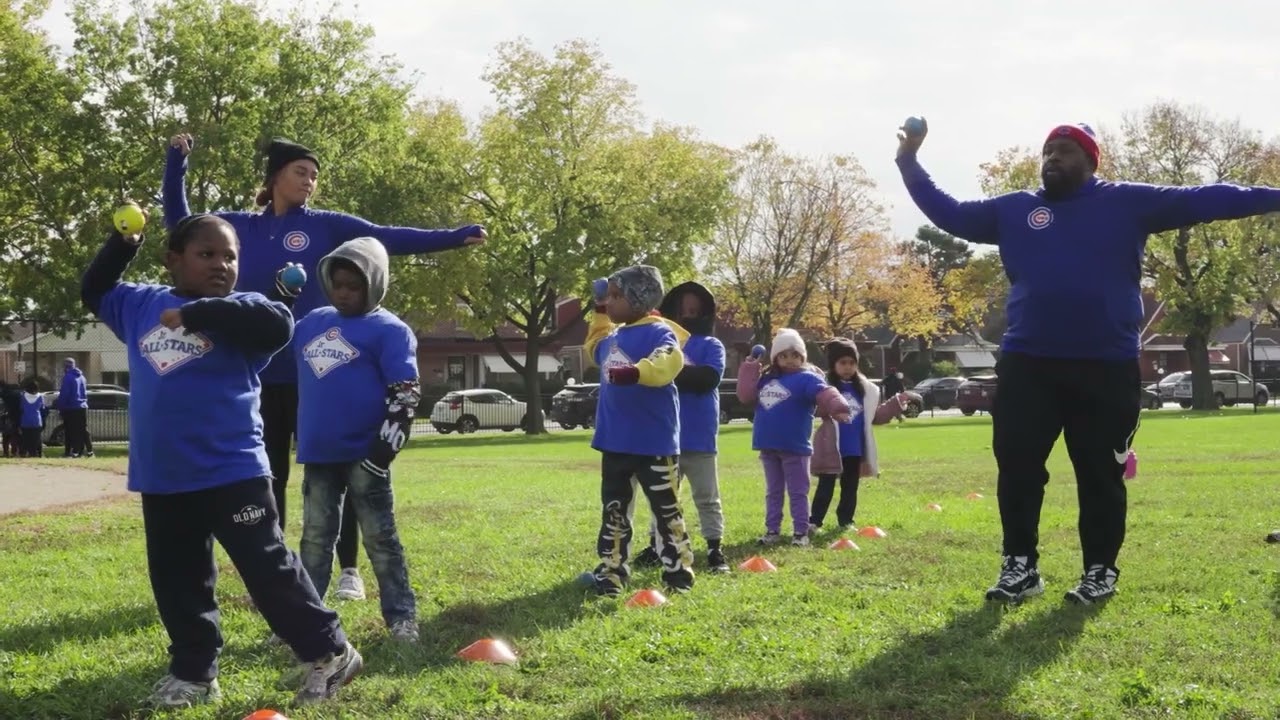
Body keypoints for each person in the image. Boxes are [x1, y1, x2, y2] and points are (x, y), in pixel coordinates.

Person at [896, 118, 1280, 604]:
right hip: (1028, 364)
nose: (1051, 158)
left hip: (1105, 366)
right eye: (1047, 151)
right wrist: (909, 162)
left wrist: (1273, 195)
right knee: (1017, 468)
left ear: (1090, 160)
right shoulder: (1015, 209)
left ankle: (1099, 570)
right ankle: (1020, 567)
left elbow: (1209, 198)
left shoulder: (1127, 202)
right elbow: (949, 214)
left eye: (1063, 150)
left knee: (1099, 473)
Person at [163, 133, 485, 601]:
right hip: (253, 373)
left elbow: (386, 237)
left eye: (314, 175)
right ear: (275, 176)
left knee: (338, 469)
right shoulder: (236, 228)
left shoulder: (327, 225)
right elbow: (181, 222)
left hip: (319, 374)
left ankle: (349, 570)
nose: (310, 181)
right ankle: (272, 570)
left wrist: (454, 237)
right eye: (301, 172)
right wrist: (177, 164)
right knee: (266, 476)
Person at [81, 213, 361, 707]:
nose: (221, 265)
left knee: (266, 568)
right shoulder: (140, 304)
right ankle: (194, 673)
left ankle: (330, 652)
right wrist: (122, 244)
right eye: (206, 254)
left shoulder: (244, 308)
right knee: (178, 579)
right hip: (163, 473)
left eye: (229, 256)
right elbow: (95, 287)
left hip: (233, 470)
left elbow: (277, 323)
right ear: (173, 260)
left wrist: (199, 314)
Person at [294, 237, 421, 641]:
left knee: (381, 538)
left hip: (366, 456)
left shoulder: (391, 331)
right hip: (318, 454)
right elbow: (268, 344)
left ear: (376, 284)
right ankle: (305, 621)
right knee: (314, 539)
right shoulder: (311, 323)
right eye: (337, 284)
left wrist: (383, 453)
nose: (343, 293)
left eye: (354, 285)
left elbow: (406, 392)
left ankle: (402, 618)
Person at [583, 265, 696, 597]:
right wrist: (600, 309)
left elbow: (668, 359)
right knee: (614, 510)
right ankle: (612, 572)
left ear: (639, 299)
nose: (611, 302)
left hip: (654, 443)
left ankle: (678, 571)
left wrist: (637, 372)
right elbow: (594, 346)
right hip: (615, 442)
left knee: (666, 509)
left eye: (617, 296)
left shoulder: (660, 332)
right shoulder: (614, 336)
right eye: (610, 297)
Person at [625, 281, 730, 574]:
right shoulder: (664, 344)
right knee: (664, 499)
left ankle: (714, 547)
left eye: (695, 311)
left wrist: (667, 371)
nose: (688, 316)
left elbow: (707, 379)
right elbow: (645, 373)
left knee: (707, 497)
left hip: (700, 437)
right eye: (682, 310)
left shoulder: (711, 345)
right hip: (665, 437)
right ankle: (658, 546)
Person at [736, 329, 851, 547]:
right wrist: (750, 366)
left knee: (798, 491)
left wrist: (839, 406)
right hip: (768, 446)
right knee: (773, 491)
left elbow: (825, 392)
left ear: (802, 357)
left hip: (795, 446)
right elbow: (745, 395)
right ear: (776, 358)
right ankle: (772, 530)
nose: (790, 360)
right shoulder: (767, 379)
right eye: (784, 355)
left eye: (795, 355)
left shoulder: (807, 378)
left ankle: (800, 531)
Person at [809, 338, 903, 534]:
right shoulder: (825, 388)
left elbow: (875, 416)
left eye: (852, 363)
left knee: (850, 488)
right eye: (842, 362)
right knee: (825, 487)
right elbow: (815, 410)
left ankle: (846, 521)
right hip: (831, 448)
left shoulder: (866, 390)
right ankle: (815, 521)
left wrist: (896, 403)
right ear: (834, 364)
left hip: (854, 448)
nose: (847, 367)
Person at [56, 358, 90, 457]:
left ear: (65, 367)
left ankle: (71, 452)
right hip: (82, 406)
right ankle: (84, 451)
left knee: (70, 431)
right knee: (82, 429)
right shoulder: (82, 377)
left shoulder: (68, 377)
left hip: (71, 407)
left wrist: (60, 407)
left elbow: (64, 394)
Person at [18, 380, 46, 458]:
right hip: (36, 420)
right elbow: (43, 408)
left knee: (26, 438)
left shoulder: (23, 396)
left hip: (25, 420)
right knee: (37, 438)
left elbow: (21, 408)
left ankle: (24, 452)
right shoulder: (40, 396)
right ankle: (37, 453)